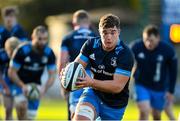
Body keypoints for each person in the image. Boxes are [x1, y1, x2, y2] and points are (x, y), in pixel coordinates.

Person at [60, 14, 134, 120]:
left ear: (119, 32)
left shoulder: (125, 54)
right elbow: (76, 66)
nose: (108, 37)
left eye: (112, 32)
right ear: (99, 31)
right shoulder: (91, 44)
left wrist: (91, 82)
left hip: (115, 104)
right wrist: (68, 73)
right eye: (105, 32)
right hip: (93, 94)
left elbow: (117, 87)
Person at [8, 26, 56, 120]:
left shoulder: (49, 52)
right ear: (33, 37)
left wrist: (44, 88)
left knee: (31, 117)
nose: (42, 42)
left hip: (36, 87)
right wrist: (22, 86)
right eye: (39, 39)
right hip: (19, 85)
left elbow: (52, 74)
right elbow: (12, 72)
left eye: (45, 39)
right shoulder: (22, 50)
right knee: (22, 106)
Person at [130, 25, 177, 120]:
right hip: (141, 84)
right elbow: (125, 58)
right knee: (144, 110)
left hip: (159, 87)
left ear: (158, 38)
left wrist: (171, 90)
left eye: (151, 40)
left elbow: (173, 71)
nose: (148, 43)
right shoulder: (136, 47)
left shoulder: (168, 50)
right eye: (145, 40)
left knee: (156, 115)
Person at [58, 9, 96, 119]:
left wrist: (63, 85)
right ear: (88, 23)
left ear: (74, 23)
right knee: (90, 111)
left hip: (75, 77)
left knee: (74, 111)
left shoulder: (68, 38)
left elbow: (62, 62)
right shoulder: (96, 37)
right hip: (93, 79)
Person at [0, 37, 20, 120]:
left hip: (18, 83)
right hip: (4, 82)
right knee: (8, 109)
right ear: (6, 48)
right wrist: (5, 86)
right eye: (10, 51)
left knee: (21, 108)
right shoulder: (1, 55)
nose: (12, 54)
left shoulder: (21, 54)